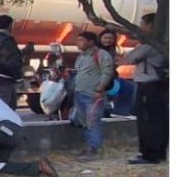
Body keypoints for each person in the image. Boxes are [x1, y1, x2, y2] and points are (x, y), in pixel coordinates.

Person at [123, 12, 168, 164]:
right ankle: (159, 152)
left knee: (147, 120)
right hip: (162, 85)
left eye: (143, 24)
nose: (140, 27)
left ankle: (148, 154)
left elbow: (129, 58)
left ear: (150, 25)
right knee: (160, 120)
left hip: (149, 86)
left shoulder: (150, 44)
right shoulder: (166, 41)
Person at [70, 31, 113, 162]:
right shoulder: (81, 56)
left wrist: (99, 90)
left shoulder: (101, 54)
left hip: (93, 95)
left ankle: (94, 149)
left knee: (93, 122)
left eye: (82, 40)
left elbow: (107, 72)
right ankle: (89, 146)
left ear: (91, 42)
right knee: (84, 122)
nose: (78, 43)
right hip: (80, 93)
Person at [0, 14, 23, 109]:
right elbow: (10, 60)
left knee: (1, 105)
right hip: (5, 78)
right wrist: (18, 77)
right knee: (5, 107)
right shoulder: (7, 41)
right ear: (9, 25)